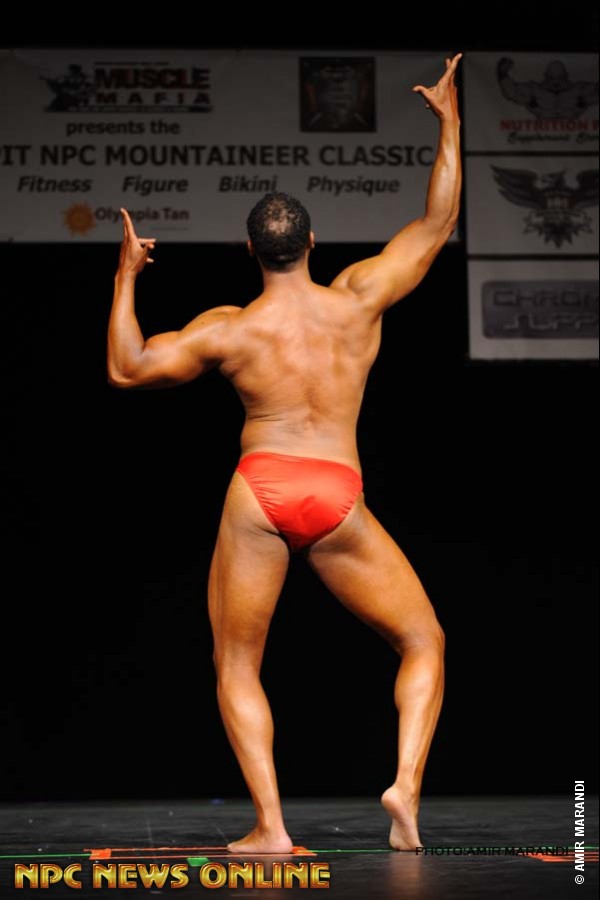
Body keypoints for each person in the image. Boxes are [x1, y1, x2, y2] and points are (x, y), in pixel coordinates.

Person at [107, 53, 462, 853]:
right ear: (313, 242)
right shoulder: (359, 299)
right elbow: (438, 223)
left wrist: (127, 275)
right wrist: (449, 122)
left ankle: (271, 825)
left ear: (249, 249)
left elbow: (127, 369)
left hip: (261, 489)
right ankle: (404, 786)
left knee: (238, 664)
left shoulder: (230, 328)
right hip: (337, 492)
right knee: (424, 640)